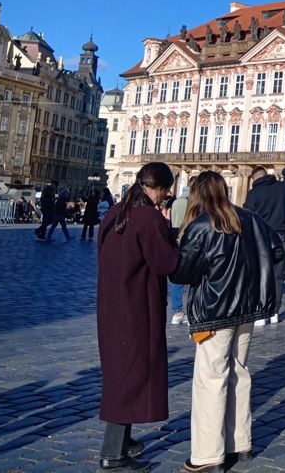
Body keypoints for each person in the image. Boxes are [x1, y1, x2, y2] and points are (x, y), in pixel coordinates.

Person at [172, 171, 285, 473]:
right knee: (238, 372)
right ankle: (240, 443)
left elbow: (181, 273)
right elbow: (278, 249)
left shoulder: (201, 225)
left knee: (211, 379)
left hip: (214, 311)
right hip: (246, 310)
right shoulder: (250, 219)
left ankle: (208, 455)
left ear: (197, 194)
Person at [96, 163, 179, 472]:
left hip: (112, 306)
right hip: (137, 308)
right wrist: (169, 234)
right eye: (165, 192)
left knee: (121, 373)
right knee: (129, 378)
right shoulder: (147, 219)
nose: (165, 198)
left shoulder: (116, 212)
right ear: (157, 188)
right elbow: (166, 264)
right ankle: (112, 455)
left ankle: (123, 441)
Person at [243, 166, 285, 325]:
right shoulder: (283, 188)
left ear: (255, 178)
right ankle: (274, 312)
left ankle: (261, 312)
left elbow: (247, 216)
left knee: (260, 275)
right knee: (278, 275)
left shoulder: (253, 193)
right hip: (281, 235)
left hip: (261, 237)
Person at [169, 185, 191, 325]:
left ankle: (177, 311)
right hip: (186, 236)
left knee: (176, 275)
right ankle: (192, 312)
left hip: (174, 235)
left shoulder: (176, 201)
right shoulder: (190, 204)